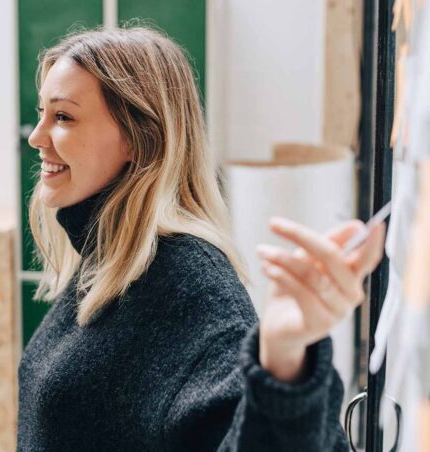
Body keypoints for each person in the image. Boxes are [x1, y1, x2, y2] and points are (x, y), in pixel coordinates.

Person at [19, 26, 385, 451]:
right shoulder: (109, 259)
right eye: (42, 112)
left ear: (140, 139)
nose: (36, 136)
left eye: (62, 116)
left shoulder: (188, 283)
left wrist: (284, 359)